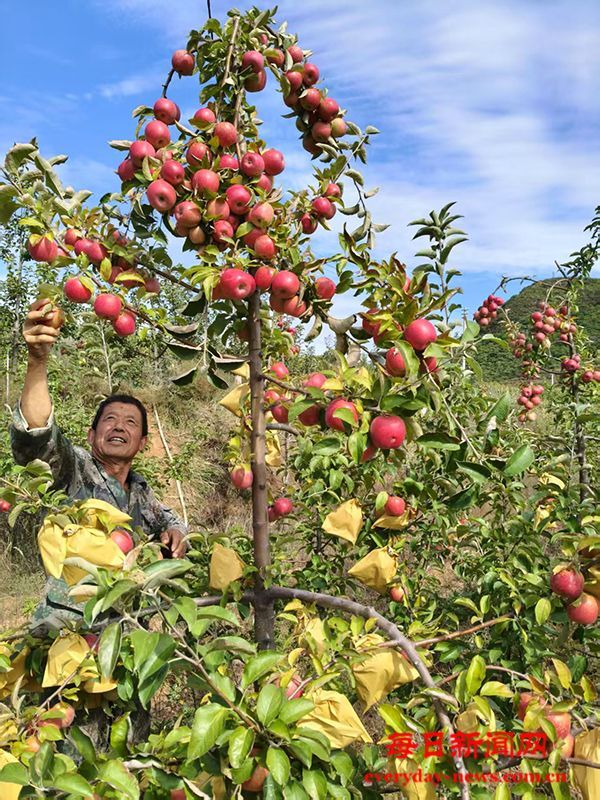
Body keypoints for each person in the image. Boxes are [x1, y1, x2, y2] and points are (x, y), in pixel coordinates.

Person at [9, 298, 188, 631]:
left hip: (127, 635)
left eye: (131, 423)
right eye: (110, 420)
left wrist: (178, 533)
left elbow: (171, 520)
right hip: (67, 631)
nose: (119, 426)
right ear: (91, 436)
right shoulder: (73, 469)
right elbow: (37, 436)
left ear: (143, 444)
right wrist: (37, 360)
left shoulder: (140, 492)